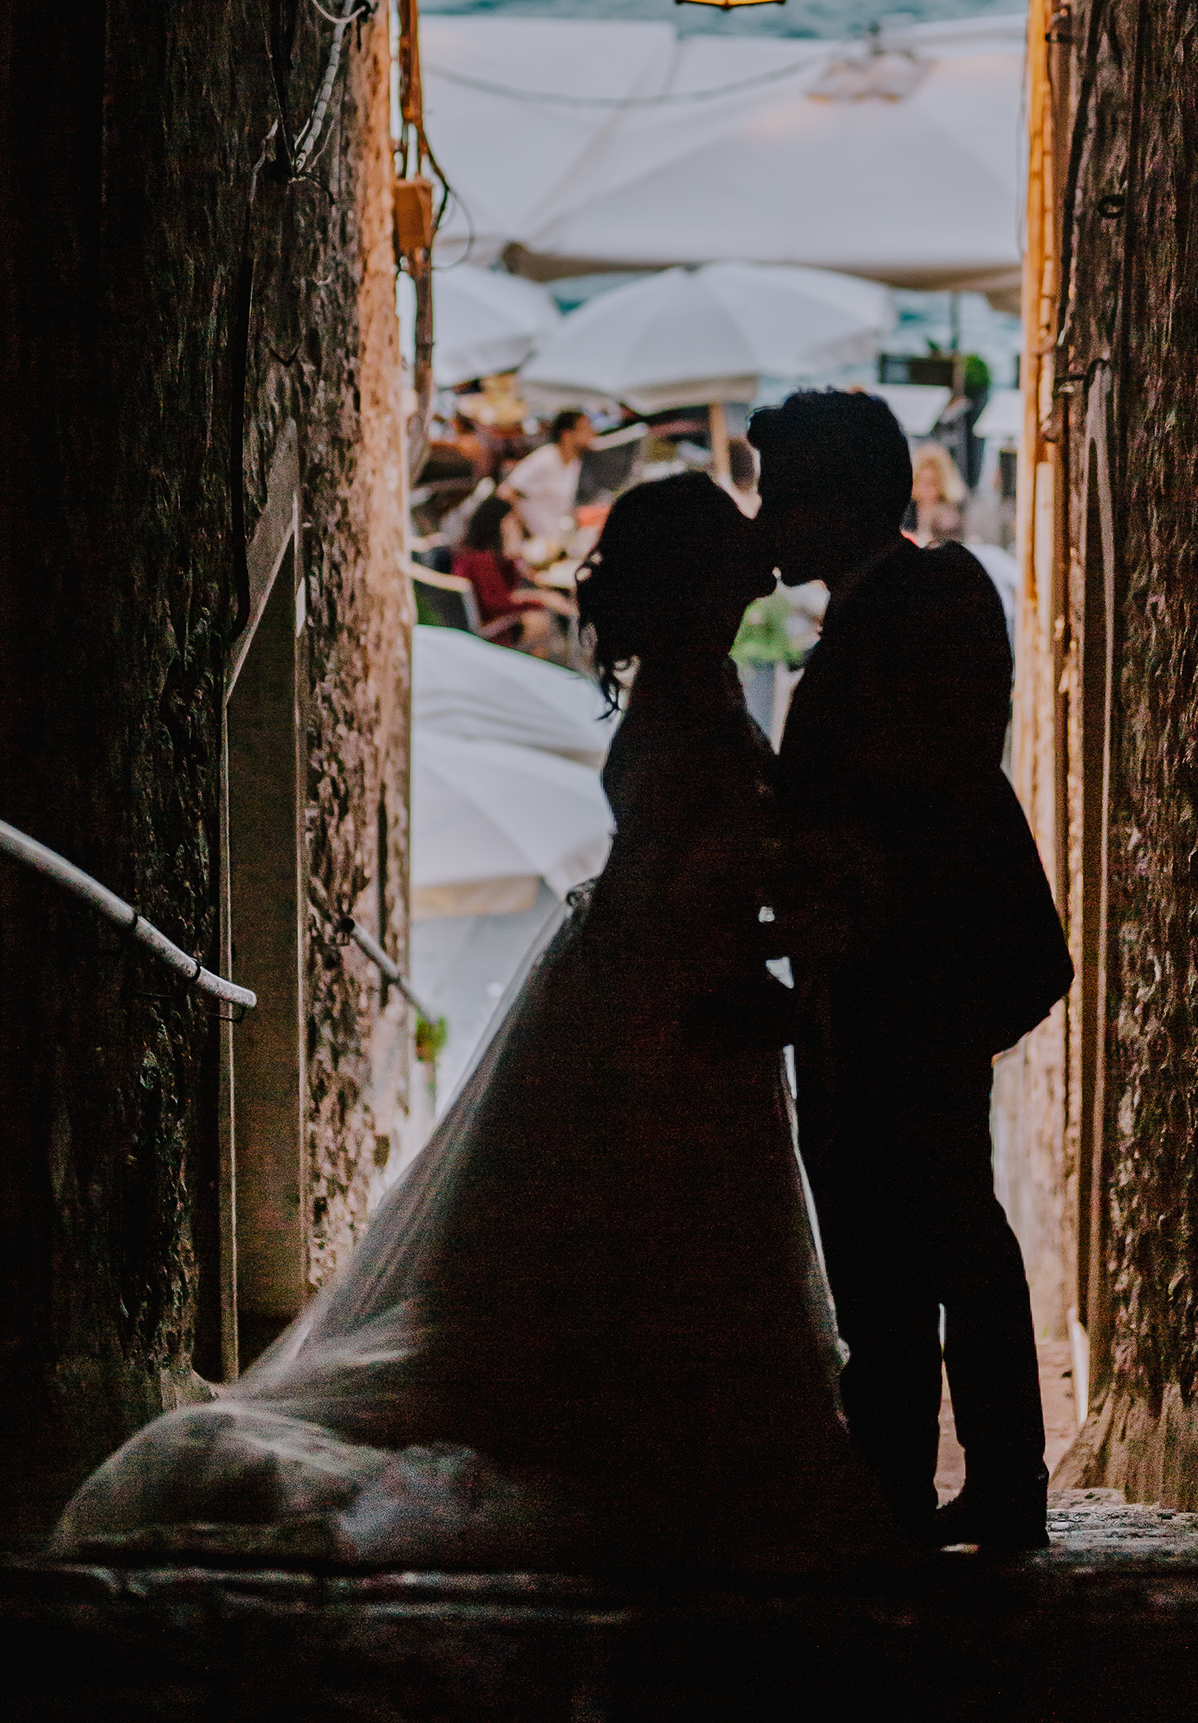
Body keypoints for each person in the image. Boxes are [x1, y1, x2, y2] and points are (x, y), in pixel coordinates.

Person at [52, 476, 893, 1572]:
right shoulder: (689, 701)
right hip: (673, 1001)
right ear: (697, 578)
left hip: (661, 984)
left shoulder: (694, 686)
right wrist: (793, 929)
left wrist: (778, 918)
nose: (756, 566)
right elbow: (676, 884)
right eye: (732, 553)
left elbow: (697, 863)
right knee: (657, 1225)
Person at [751, 386, 1074, 1554]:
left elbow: (914, 786)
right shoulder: (882, 609)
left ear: (840, 501)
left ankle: (976, 1480)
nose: (766, 521)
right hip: (880, 968)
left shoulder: (933, 596)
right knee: (898, 1221)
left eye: (782, 497)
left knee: (933, 1217)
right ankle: (914, 1477)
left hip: (921, 968)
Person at [450, 494, 576, 652]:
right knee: (542, 621)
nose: (517, 528)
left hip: (472, 626)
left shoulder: (468, 553)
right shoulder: (482, 561)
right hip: (491, 631)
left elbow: (503, 593)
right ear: (499, 524)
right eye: (513, 523)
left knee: (544, 610)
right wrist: (540, 599)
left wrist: (512, 557)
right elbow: (499, 603)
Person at [503, 408, 595, 549]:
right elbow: (506, 491)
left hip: (557, 543)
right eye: (585, 429)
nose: (592, 434)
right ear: (566, 434)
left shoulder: (574, 463)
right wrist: (528, 534)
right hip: (537, 546)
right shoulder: (546, 458)